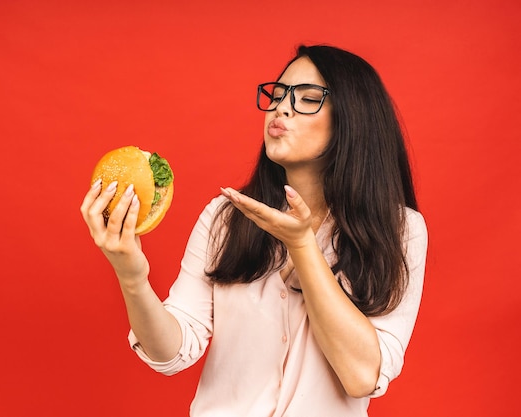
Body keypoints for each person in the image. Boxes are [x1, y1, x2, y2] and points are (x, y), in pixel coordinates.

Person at [80, 44, 428, 416]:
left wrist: (302, 247)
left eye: (308, 98)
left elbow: (362, 377)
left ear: (354, 119)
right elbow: (171, 352)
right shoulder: (225, 218)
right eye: (277, 95)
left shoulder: (400, 229)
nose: (280, 108)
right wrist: (132, 275)